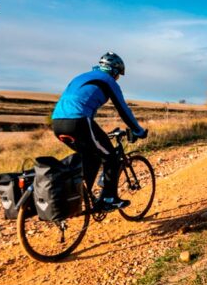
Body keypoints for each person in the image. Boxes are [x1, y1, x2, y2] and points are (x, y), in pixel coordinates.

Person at [51, 52, 147, 210]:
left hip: (57, 123)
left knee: (92, 156)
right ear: (114, 70)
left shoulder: (81, 77)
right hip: (79, 121)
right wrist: (138, 131)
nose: (118, 79)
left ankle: (82, 196)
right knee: (111, 158)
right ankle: (109, 199)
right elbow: (123, 110)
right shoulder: (108, 81)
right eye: (119, 75)